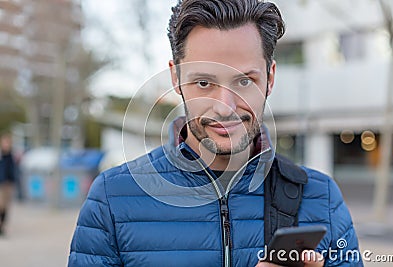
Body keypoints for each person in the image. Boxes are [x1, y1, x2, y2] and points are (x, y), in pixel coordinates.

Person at [68, 0, 363, 266]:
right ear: (176, 77)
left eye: (245, 81)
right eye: (204, 83)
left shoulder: (321, 197)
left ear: (270, 78)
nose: (225, 108)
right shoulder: (112, 198)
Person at [0, 132, 16, 236]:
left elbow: (13, 170)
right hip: (0, 184)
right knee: (0, 205)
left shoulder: (10, 156)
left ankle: (2, 226)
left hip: (8, 184)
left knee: (6, 207)